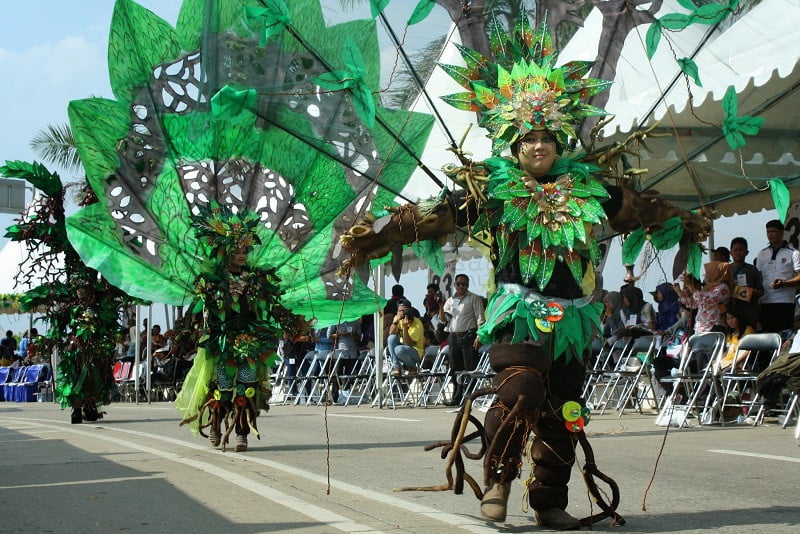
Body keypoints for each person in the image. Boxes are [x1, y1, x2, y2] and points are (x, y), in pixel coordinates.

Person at [340, 18, 710, 528]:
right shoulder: (491, 191)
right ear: (512, 144)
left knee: (565, 411)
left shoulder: (594, 191)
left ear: (560, 144)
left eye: (548, 137)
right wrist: (373, 236)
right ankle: (497, 482)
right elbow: (432, 216)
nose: (539, 145)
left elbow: (642, 211)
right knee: (519, 393)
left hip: (575, 319)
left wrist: (687, 220)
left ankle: (548, 501)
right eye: (528, 137)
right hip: (518, 312)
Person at [175, 204, 298, 452]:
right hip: (222, 342)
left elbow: (272, 306)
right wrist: (186, 328)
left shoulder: (256, 279)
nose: (242, 255)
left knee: (247, 385)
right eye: (236, 250)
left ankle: (242, 432)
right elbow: (197, 310)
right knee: (222, 388)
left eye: (244, 250)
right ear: (225, 251)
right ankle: (216, 426)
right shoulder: (211, 280)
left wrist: (290, 322)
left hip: (250, 341)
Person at [438, 273, 485, 405]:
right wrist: (441, 306)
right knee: (455, 368)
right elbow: (443, 320)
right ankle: (456, 397)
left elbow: (480, 318)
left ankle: (470, 396)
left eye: (464, 284)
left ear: (468, 286)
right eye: (459, 284)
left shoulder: (473, 298)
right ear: (455, 285)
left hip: (468, 335)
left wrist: (479, 336)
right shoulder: (452, 300)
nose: (462, 287)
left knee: (469, 368)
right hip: (453, 336)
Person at [755, 219, 800, 335]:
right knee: (768, 337)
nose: (770, 234)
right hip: (765, 302)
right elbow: (758, 278)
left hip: (785, 302)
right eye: (768, 232)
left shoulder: (793, 253)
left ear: (781, 232)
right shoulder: (762, 254)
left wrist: (783, 283)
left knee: (784, 336)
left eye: (773, 231)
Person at [679, 261, 732, 334]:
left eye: (709, 272)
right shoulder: (708, 287)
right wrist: (680, 291)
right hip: (702, 327)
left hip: (714, 326)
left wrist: (692, 287)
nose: (706, 275)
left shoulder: (723, 288)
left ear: (716, 273)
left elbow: (705, 302)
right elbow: (693, 304)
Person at [729, 237, 763, 328]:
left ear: (747, 252)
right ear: (730, 252)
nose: (738, 252)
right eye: (735, 250)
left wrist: (752, 292)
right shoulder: (725, 270)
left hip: (749, 312)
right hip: (731, 315)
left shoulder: (753, 270)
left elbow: (761, 291)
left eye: (741, 250)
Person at [387, 299, 423, 377]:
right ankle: (396, 367)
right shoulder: (397, 318)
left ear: (410, 310)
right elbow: (390, 333)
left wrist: (405, 328)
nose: (403, 313)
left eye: (405, 310)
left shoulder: (417, 323)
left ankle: (412, 367)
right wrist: (395, 322)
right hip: (401, 349)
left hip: (415, 352)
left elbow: (409, 344)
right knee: (391, 338)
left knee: (399, 349)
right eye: (400, 311)